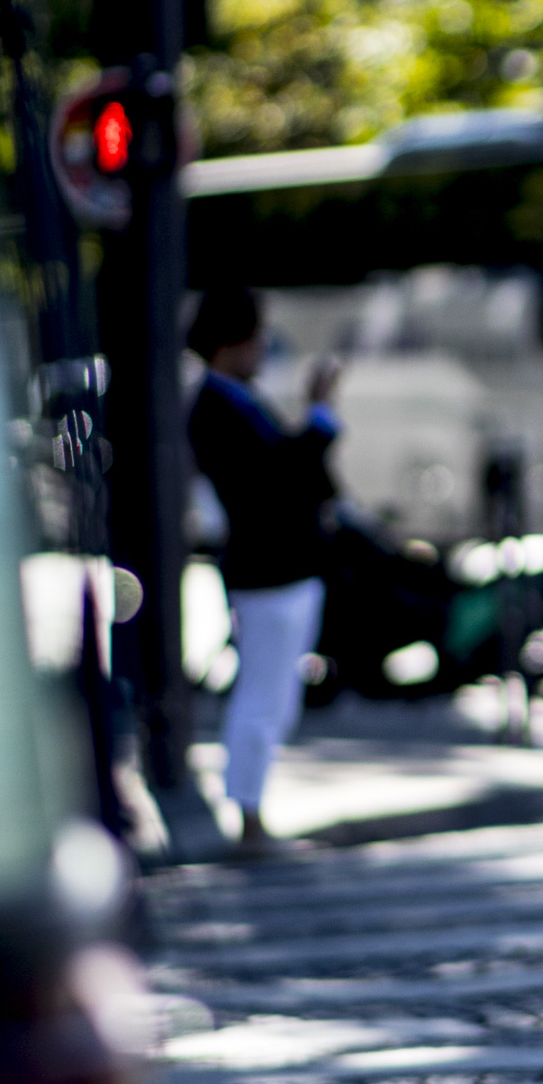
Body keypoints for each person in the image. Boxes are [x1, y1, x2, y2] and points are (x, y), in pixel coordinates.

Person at [185, 287, 341, 854]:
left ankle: (251, 809)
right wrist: (319, 415)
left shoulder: (231, 400)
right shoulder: (218, 406)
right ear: (232, 343)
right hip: (269, 570)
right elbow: (279, 476)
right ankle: (248, 814)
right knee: (263, 696)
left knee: (273, 696)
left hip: (278, 568)